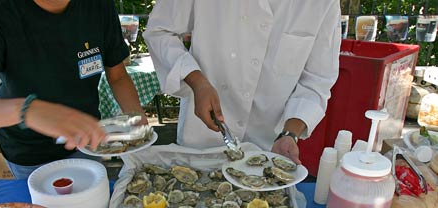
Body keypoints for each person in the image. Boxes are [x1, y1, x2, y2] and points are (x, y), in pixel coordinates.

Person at [0, 0, 146, 179]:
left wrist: (136, 115)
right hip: (28, 152)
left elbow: (117, 75)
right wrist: (28, 110)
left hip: (86, 139)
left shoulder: (98, 6)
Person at [143, 0, 341, 164]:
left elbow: (318, 79)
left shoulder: (323, 4)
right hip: (202, 138)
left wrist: (290, 133)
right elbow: (159, 32)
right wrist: (197, 81)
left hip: (269, 143)